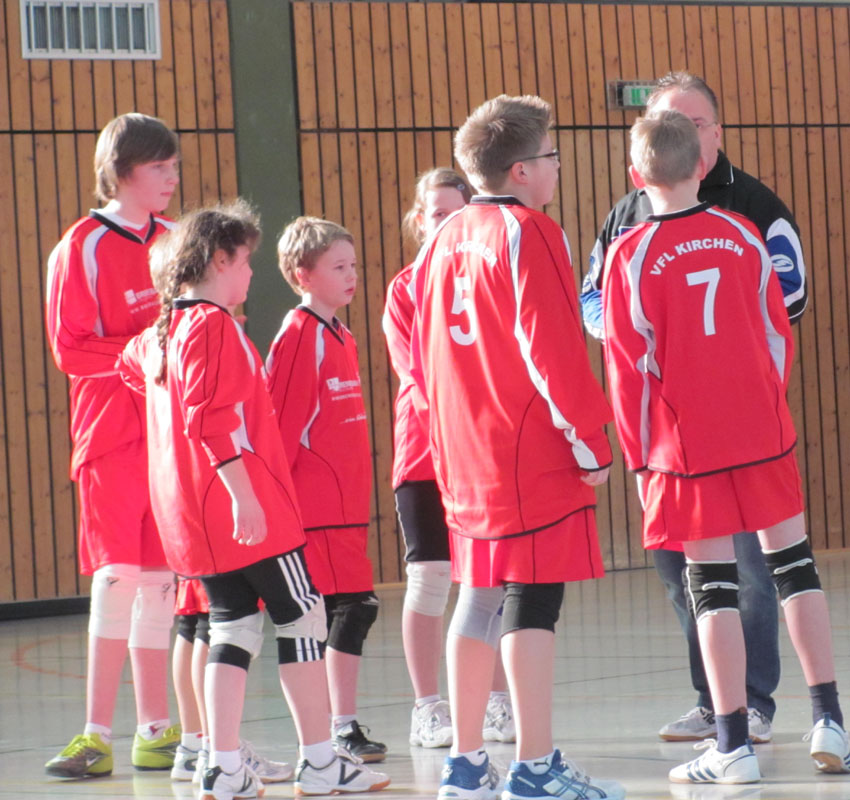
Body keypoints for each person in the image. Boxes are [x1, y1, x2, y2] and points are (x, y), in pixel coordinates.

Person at [603, 109, 849, 784]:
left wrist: (640, 455)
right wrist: (765, 407)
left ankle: (734, 744)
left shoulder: (631, 254)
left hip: (685, 449)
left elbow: (630, 367)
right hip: (762, 434)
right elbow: (778, 334)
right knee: (796, 568)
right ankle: (830, 718)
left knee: (712, 588)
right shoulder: (742, 234)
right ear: (703, 166)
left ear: (635, 175)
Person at [117, 202, 390, 800]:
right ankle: (320, 760)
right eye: (245, 262)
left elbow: (131, 371)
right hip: (244, 507)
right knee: (305, 618)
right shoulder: (213, 326)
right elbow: (212, 421)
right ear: (218, 260)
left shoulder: (160, 332)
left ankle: (222, 763)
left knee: (232, 627)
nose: (250, 275)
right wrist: (244, 495)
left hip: (189, 518)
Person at [581, 71, 808, 744]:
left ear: (716, 130)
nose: (682, 131)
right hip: (666, 438)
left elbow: (786, 302)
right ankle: (713, 702)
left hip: (739, 431)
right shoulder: (629, 211)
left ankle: (755, 706)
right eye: (666, 119)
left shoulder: (755, 209)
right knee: (685, 571)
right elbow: (594, 295)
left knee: (752, 570)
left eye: (694, 120)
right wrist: (618, 326)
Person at [411, 94, 625, 800]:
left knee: (476, 599)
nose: (558, 168)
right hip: (526, 447)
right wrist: (589, 438)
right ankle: (535, 768)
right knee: (533, 602)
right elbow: (550, 349)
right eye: (554, 156)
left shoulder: (442, 237)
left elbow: (427, 357)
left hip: (466, 451)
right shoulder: (529, 232)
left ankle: (466, 766)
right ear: (524, 169)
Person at [44, 113, 181, 778]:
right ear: (122, 170)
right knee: (119, 574)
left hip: (166, 433)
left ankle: (156, 728)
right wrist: (143, 353)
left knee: (160, 580)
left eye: (174, 167)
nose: (172, 179)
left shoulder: (178, 241)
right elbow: (69, 349)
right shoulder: (81, 247)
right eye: (160, 168)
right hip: (109, 434)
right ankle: (95, 733)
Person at [384, 168, 515, 749]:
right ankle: (426, 705)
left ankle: (495, 700)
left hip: (480, 451)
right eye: (434, 214)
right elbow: (418, 374)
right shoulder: (406, 288)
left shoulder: (484, 274)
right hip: (425, 452)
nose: (444, 223)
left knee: (486, 580)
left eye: (454, 212)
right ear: (420, 222)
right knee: (432, 578)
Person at [266, 216, 386, 763]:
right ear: (302, 274)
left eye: (353, 265)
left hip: (346, 511)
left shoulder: (340, 333)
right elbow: (281, 432)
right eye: (338, 267)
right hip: (314, 514)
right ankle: (333, 729)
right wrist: (281, 509)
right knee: (337, 612)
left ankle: (341, 724)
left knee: (354, 608)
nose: (351, 276)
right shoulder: (298, 337)